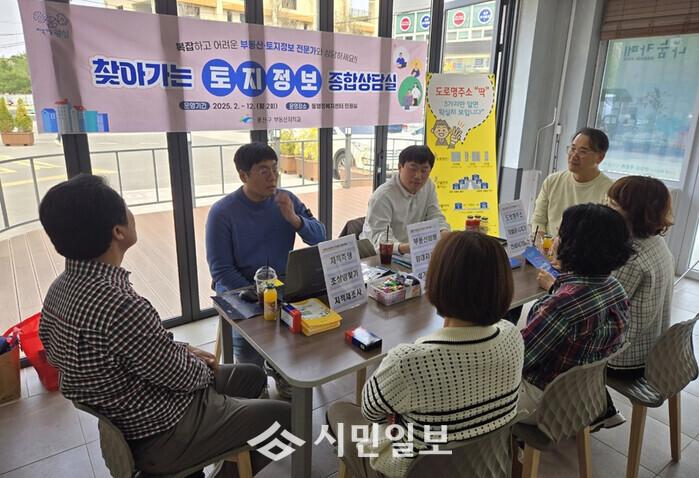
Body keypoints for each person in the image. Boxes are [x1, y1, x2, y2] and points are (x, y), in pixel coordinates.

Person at [38, 175, 291, 476]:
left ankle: (229, 448)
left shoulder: (59, 289)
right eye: (125, 207)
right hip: (162, 429)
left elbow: (76, 353)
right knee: (286, 417)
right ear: (118, 231)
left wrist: (182, 351)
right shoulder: (119, 305)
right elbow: (184, 377)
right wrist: (197, 365)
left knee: (251, 376)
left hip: (132, 412)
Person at [327, 232, 524, 478]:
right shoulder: (513, 337)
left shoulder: (410, 361)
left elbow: (370, 410)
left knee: (339, 412)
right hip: (486, 466)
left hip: (409, 470)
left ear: (438, 282)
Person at [206, 142, 326, 398]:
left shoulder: (286, 200)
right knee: (250, 352)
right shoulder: (222, 213)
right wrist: (260, 295)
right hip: (241, 292)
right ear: (243, 176)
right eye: (263, 171)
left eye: (274, 169)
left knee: (300, 331)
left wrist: (295, 219)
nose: (273, 177)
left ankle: (281, 370)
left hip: (282, 287)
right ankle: (256, 381)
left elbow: (320, 237)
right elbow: (221, 270)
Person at [519, 203, 634, 429]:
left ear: (574, 246)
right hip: (585, 395)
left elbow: (518, 362)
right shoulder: (615, 288)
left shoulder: (561, 306)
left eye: (560, 234)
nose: (555, 240)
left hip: (545, 402)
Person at [606, 176, 674, 377]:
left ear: (634, 213)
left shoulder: (631, 258)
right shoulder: (656, 242)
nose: (606, 209)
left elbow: (599, 310)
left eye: (613, 204)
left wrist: (553, 285)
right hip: (652, 349)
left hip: (623, 359)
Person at [361, 145, 449, 255]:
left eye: (424, 170)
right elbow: (380, 239)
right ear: (399, 167)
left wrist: (443, 232)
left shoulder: (428, 186)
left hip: (413, 252)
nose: (418, 176)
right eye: (413, 169)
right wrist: (409, 247)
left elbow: (435, 215)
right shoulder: (383, 196)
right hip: (378, 256)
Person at [531, 127, 614, 238]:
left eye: (583, 152)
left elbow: (603, 235)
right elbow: (538, 220)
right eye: (572, 149)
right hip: (547, 246)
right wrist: (541, 244)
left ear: (600, 157)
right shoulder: (552, 181)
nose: (574, 155)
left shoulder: (610, 190)